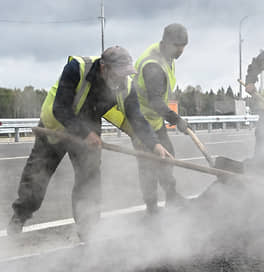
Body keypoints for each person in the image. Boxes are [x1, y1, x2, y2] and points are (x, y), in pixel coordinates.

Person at [7, 46, 170, 239]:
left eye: (125, 74)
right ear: (104, 67)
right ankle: (19, 217)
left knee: (89, 181)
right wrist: (85, 133)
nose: (121, 79)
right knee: (36, 177)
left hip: (89, 130)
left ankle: (88, 231)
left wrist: (155, 144)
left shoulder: (126, 85)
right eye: (118, 74)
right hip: (56, 127)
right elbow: (61, 107)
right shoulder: (77, 68)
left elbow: (137, 118)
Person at [132, 23, 191, 214]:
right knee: (148, 165)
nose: (181, 49)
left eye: (183, 45)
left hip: (154, 121)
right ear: (166, 43)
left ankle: (172, 197)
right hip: (140, 122)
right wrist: (177, 120)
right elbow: (156, 102)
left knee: (167, 156)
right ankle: (151, 209)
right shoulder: (152, 66)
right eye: (178, 45)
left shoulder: (166, 56)